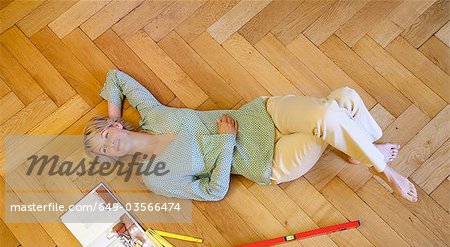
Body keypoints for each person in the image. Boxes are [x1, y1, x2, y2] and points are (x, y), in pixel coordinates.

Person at [83, 69, 417, 202]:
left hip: (262, 115)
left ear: (112, 128)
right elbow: (213, 192)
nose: (111, 146)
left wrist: (114, 116)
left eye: (106, 138)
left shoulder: (152, 115)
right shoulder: (156, 179)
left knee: (343, 96)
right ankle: (382, 170)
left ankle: (354, 151)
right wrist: (226, 142)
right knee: (333, 111)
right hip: (269, 160)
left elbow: (116, 77)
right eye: (106, 152)